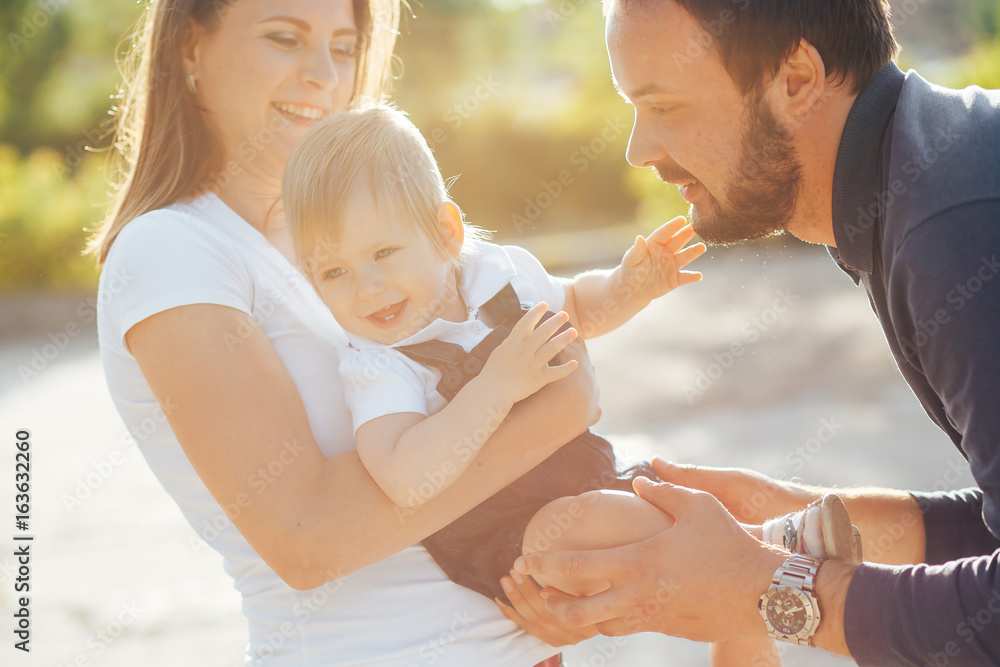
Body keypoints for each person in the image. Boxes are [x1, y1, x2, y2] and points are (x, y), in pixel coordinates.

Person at [89, 0, 604, 663]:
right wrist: (556, 408)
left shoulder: (350, 234)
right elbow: (309, 536)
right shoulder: (171, 250)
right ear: (190, 48)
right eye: (285, 39)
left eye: (344, 46)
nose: (324, 76)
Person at [282, 103, 863, 667]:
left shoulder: (499, 277)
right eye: (334, 272)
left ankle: (753, 596)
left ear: (446, 231)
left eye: (384, 252)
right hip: (512, 536)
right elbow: (407, 476)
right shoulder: (381, 365)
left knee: (665, 497)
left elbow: (579, 310)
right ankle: (769, 544)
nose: (366, 288)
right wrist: (498, 386)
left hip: (589, 471)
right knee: (601, 525)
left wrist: (627, 288)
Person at [515, 0, 1000, 664]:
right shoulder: (928, 173)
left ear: (796, 80)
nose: (638, 150)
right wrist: (788, 519)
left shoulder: (955, 226)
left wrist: (764, 587)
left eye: (665, 107)